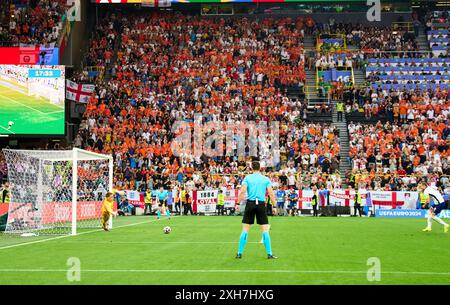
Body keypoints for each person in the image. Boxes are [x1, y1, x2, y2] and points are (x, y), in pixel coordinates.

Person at [235, 161, 278, 259]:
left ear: (251, 168)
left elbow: (242, 191)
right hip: (261, 204)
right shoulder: (265, 179)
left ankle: (239, 253)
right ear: (260, 168)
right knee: (265, 230)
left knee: (245, 229)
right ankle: (269, 254)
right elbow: (271, 193)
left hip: (250, 203)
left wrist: (237, 203)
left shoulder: (248, 178)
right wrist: (274, 206)